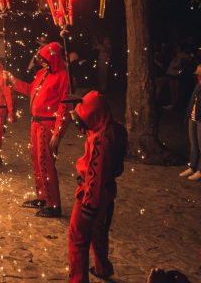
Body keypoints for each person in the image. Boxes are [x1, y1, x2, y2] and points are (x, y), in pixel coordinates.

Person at [67, 91, 127, 283]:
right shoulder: (111, 129)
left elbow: (95, 175)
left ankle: (78, 279)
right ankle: (103, 267)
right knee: (98, 231)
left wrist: (88, 206)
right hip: (107, 192)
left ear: (94, 115)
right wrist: (76, 115)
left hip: (92, 193)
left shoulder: (101, 142)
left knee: (78, 236)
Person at [7, 41, 70, 217]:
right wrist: (12, 81)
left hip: (48, 125)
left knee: (46, 163)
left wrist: (58, 133)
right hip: (35, 124)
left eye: (45, 59)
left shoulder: (64, 77)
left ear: (54, 58)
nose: (42, 62)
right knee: (37, 161)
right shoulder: (43, 73)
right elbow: (29, 90)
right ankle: (42, 197)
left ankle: (54, 205)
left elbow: (65, 107)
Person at [179, 64, 201, 181]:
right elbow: (193, 101)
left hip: (200, 119)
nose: (197, 74)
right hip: (193, 117)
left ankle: (200, 170)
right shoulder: (198, 84)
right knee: (193, 144)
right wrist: (188, 115)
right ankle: (192, 166)